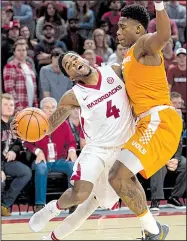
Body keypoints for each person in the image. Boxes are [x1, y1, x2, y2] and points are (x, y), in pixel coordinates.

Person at [14, 51, 135, 239]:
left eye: (74, 58)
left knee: (92, 204)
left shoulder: (115, 71)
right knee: (80, 194)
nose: (74, 62)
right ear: (71, 76)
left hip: (120, 150)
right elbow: (47, 127)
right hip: (96, 148)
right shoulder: (73, 96)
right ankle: (52, 209)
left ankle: (53, 238)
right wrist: (25, 132)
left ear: (84, 59)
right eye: (69, 65)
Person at [108, 2, 183, 240]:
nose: (117, 31)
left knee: (117, 175)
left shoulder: (143, 46)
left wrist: (159, 5)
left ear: (139, 29)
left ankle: (153, 230)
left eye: (122, 26)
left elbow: (163, 34)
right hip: (146, 123)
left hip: (158, 120)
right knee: (119, 176)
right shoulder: (128, 58)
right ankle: (153, 230)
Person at [24, 97, 76, 212]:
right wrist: (37, 151)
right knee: (41, 169)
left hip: (59, 160)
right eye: (47, 108)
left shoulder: (63, 123)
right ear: (41, 110)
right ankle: (40, 204)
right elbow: (26, 142)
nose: (50, 110)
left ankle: (73, 202)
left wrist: (72, 150)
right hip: (43, 161)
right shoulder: (35, 124)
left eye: (53, 107)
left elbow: (72, 142)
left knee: (73, 167)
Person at [1, 93, 32, 216]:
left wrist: (13, 150)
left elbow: (19, 142)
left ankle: (5, 204)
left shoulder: (15, 123)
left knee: (25, 172)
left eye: (11, 105)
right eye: (5, 104)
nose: (9, 107)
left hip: (7, 162)